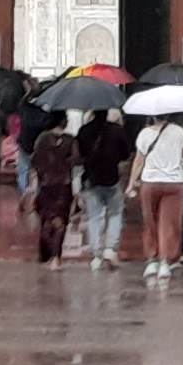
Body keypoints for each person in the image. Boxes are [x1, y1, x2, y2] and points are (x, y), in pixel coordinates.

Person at [133, 105, 183, 281]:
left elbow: (138, 160)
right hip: (174, 183)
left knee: (150, 220)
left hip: (150, 181)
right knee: (169, 224)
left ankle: (151, 260)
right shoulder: (179, 132)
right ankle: (165, 263)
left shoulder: (144, 134)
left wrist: (131, 183)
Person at [75, 113, 132, 271]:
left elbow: (79, 155)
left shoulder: (84, 131)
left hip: (91, 180)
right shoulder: (117, 131)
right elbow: (126, 154)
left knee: (94, 217)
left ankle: (96, 254)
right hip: (112, 179)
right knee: (115, 213)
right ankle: (110, 249)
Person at [29, 124, 80, 265]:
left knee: (45, 220)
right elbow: (77, 160)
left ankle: (45, 253)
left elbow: (34, 161)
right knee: (60, 221)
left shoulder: (42, 138)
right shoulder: (71, 140)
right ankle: (56, 257)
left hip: (46, 185)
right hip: (64, 186)